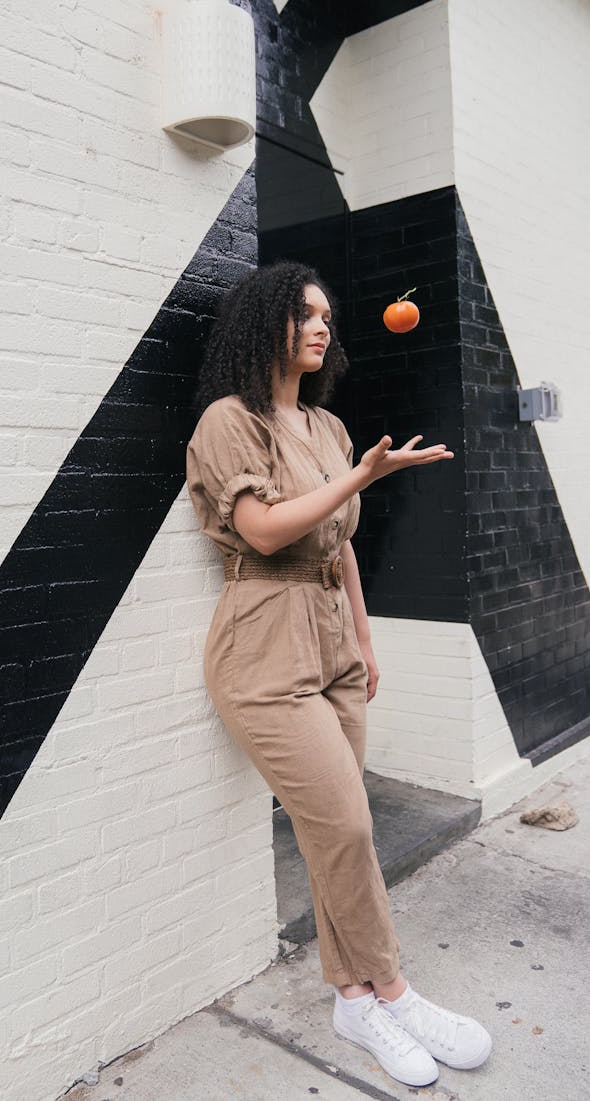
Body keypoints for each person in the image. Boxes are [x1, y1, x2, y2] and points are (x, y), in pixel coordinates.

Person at [185, 261, 492, 1089]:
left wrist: (363, 638)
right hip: (263, 640)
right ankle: (391, 986)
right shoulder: (228, 421)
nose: (322, 327)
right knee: (349, 825)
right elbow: (264, 528)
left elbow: (341, 543)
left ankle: (353, 997)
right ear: (265, 325)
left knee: (331, 831)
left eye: (327, 314)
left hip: (333, 642)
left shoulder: (325, 426)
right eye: (304, 314)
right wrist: (360, 479)